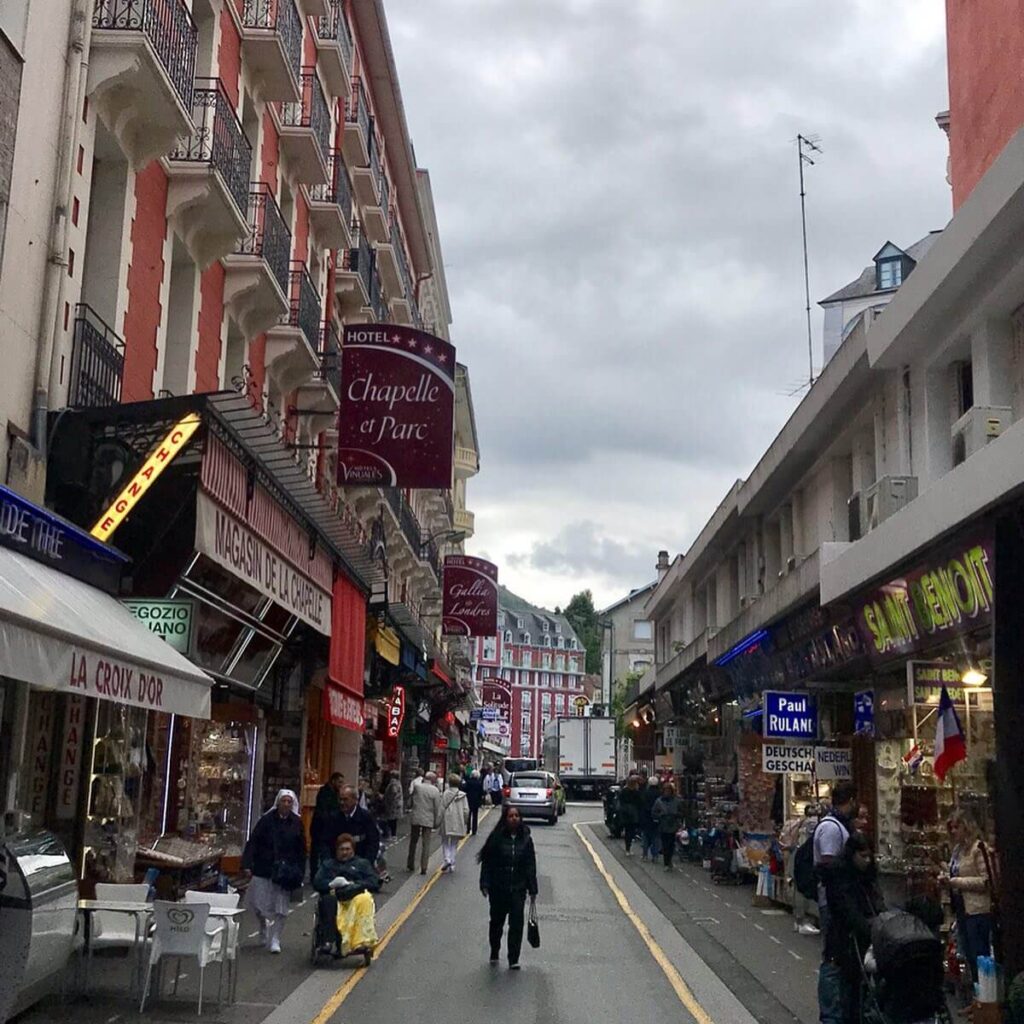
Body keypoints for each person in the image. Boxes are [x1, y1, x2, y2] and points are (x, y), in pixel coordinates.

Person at [824, 832, 885, 1024]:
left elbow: (876, 900)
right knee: (847, 985)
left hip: (864, 935)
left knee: (861, 984)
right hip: (845, 937)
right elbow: (845, 909)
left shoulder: (867, 876)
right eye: (863, 856)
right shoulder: (839, 875)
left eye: (869, 856)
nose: (867, 861)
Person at [814, 780, 858, 1024]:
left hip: (839, 901)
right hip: (832, 902)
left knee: (840, 956)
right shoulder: (831, 829)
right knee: (832, 957)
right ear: (850, 801)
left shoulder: (838, 825)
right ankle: (831, 1014)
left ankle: (841, 1008)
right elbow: (829, 866)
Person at [242, 788, 306, 954]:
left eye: (289, 802)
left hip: (285, 872)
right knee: (258, 905)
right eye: (283, 801)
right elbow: (253, 842)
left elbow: (301, 849)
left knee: (281, 907)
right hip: (264, 867)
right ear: (278, 802)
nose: (286, 804)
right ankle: (263, 926)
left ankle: (275, 937)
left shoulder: (297, 823)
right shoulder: (266, 820)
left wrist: (300, 871)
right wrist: (247, 864)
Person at [478, 804, 538, 970]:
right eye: (511, 816)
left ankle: (513, 958)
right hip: (499, 888)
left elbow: (530, 865)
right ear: (505, 819)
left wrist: (532, 889)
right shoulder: (497, 838)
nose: (514, 819)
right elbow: (487, 863)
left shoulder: (526, 840)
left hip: (518, 889)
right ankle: (495, 949)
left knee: (516, 924)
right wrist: (485, 883)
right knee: (496, 922)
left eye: (516, 816)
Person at [940, 810, 994, 982]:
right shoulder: (957, 850)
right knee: (969, 953)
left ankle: (985, 996)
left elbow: (986, 881)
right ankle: (976, 995)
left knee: (979, 954)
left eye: (957, 827)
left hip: (977, 909)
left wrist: (956, 882)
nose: (954, 831)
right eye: (952, 828)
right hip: (961, 908)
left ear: (967, 827)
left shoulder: (978, 849)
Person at [312, 833, 382, 959]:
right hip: (335, 898)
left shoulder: (362, 864)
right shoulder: (328, 865)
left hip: (355, 897)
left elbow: (374, 881)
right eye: (342, 849)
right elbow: (317, 882)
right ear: (336, 850)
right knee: (328, 900)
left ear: (353, 850)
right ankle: (328, 941)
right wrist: (331, 884)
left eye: (347, 849)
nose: (344, 852)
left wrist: (355, 884)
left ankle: (361, 941)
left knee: (364, 899)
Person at [309, 772, 345, 878]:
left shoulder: (336, 793)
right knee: (317, 851)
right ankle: (315, 873)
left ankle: (322, 873)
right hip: (320, 827)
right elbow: (323, 811)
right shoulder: (325, 792)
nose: (341, 785)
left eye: (342, 782)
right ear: (333, 781)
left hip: (328, 828)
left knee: (324, 851)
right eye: (339, 782)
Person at [407, 771, 442, 874]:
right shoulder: (435, 791)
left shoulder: (417, 788)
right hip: (428, 819)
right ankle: (424, 867)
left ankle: (410, 863)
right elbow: (437, 808)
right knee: (426, 843)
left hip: (416, 817)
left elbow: (410, 802)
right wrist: (436, 822)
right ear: (432, 780)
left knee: (413, 841)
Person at [337, 785, 380, 866]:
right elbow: (326, 842)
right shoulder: (334, 817)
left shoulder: (366, 817)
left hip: (360, 863)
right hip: (338, 865)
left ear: (355, 800)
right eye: (340, 799)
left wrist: (366, 863)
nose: (342, 803)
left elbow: (373, 841)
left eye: (345, 800)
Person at [440, 772, 471, 872]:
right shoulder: (463, 796)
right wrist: (465, 821)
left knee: (445, 841)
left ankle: (447, 859)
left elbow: (441, 808)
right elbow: (466, 810)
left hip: (446, 820)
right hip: (458, 820)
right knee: (454, 843)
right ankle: (452, 862)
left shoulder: (445, 794)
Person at [652, 781, 684, 871]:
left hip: (673, 825)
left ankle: (669, 860)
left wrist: (677, 815)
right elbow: (654, 812)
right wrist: (660, 816)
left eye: (668, 790)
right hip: (663, 825)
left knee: (671, 844)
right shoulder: (659, 801)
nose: (667, 792)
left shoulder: (676, 800)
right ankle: (666, 862)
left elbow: (682, 812)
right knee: (665, 844)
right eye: (665, 790)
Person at [617, 775, 643, 856]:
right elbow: (640, 803)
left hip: (625, 813)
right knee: (631, 831)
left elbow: (620, 801)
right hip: (633, 814)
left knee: (627, 830)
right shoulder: (636, 792)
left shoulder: (623, 791)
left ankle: (627, 848)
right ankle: (628, 847)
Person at [641, 773, 662, 862]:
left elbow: (642, 805)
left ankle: (645, 855)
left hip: (646, 817)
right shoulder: (660, 793)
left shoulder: (645, 793)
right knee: (656, 837)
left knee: (645, 836)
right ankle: (655, 855)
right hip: (657, 817)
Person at [381, 769, 404, 843]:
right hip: (396, 805)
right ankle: (392, 835)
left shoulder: (393, 784)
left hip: (392, 805)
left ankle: (390, 835)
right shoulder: (398, 783)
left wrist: (386, 797)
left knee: (390, 820)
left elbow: (393, 792)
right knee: (393, 820)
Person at [463, 769, 484, 836]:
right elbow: (481, 792)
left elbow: (465, 789)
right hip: (476, 801)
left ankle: (468, 829)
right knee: (475, 816)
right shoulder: (479, 783)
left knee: (468, 815)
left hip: (469, 800)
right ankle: (474, 830)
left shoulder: (468, 782)